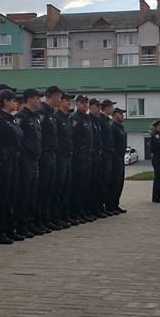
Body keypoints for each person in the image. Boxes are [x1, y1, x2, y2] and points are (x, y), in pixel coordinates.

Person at [0, 89, 22, 245]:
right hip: (3, 162)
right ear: (5, 101)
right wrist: (3, 155)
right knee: (1, 197)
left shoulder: (12, 119)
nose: (16, 103)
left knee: (12, 196)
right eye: (13, 100)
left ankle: (10, 229)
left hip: (13, 160)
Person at [15, 88, 43, 238]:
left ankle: (30, 223)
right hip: (25, 160)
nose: (39, 101)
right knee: (24, 194)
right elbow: (19, 140)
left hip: (35, 160)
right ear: (30, 99)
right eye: (37, 98)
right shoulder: (21, 117)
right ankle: (21, 225)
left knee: (33, 194)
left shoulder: (35, 117)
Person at [37, 86, 61, 232]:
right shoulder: (42, 112)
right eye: (58, 96)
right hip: (44, 155)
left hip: (52, 155)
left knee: (50, 189)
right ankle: (39, 220)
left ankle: (47, 219)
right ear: (51, 96)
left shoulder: (51, 113)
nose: (60, 99)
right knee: (43, 189)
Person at [71, 95, 94, 223]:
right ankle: (76, 212)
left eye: (87, 103)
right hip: (79, 156)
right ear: (77, 104)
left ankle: (83, 210)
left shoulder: (87, 118)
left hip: (87, 156)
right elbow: (73, 137)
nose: (85, 105)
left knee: (86, 185)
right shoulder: (75, 118)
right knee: (78, 186)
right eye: (83, 103)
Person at [56, 92, 78, 225]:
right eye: (66, 100)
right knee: (59, 188)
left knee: (67, 188)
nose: (69, 102)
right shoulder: (56, 117)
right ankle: (57, 216)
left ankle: (65, 215)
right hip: (60, 156)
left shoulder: (68, 117)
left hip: (68, 155)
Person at [88, 98, 107, 218]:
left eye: (100, 106)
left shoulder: (97, 120)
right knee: (91, 185)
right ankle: (92, 209)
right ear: (91, 106)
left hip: (99, 156)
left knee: (98, 184)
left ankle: (98, 208)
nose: (99, 108)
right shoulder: (89, 119)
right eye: (97, 106)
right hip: (91, 156)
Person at [99, 99, 117, 214]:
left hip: (110, 154)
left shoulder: (107, 121)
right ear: (105, 108)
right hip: (104, 154)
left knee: (108, 182)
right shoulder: (100, 120)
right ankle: (102, 206)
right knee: (103, 182)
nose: (113, 109)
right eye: (111, 107)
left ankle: (109, 206)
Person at [109, 107, 127, 214]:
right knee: (114, 183)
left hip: (121, 158)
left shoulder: (121, 128)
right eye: (121, 114)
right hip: (115, 159)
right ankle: (110, 205)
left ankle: (116, 204)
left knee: (120, 183)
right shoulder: (113, 128)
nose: (122, 116)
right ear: (115, 115)